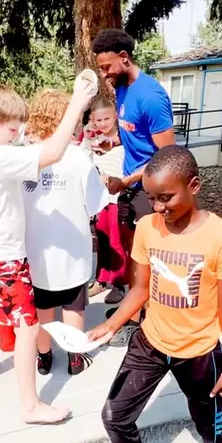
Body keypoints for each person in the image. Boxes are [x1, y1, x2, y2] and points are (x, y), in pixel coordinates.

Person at [89, 145, 222, 443]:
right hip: (150, 342)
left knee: (207, 422)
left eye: (166, 197)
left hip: (199, 352)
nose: (157, 207)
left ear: (194, 185)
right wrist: (111, 325)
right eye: (151, 197)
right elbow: (139, 289)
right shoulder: (146, 229)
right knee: (115, 416)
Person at [0, 78, 94, 424]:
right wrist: (77, 102)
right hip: (5, 257)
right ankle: (31, 406)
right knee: (28, 328)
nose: (17, 136)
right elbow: (52, 153)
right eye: (13, 129)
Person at [92, 29, 175, 340]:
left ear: (124, 58)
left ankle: (145, 324)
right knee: (132, 254)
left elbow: (167, 157)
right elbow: (134, 135)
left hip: (150, 192)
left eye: (106, 67)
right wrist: (112, 143)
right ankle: (136, 311)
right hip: (129, 189)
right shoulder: (123, 90)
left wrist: (125, 180)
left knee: (149, 261)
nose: (104, 75)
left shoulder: (151, 97)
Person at [23, 89, 109, 376]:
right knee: (74, 306)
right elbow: (96, 203)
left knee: (43, 308)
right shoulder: (78, 158)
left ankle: (44, 356)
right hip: (72, 245)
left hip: (37, 249)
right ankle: (74, 356)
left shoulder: (25, 156)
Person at [87, 98, 127, 304]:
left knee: (116, 241)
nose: (103, 123)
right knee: (101, 241)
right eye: (98, 120)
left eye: (106, 119)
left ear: (115, 118)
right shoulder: (95, 144)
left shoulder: (123, 143)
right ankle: (101, 279)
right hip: (100, 200)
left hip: (116, 199)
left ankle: (118, 283)